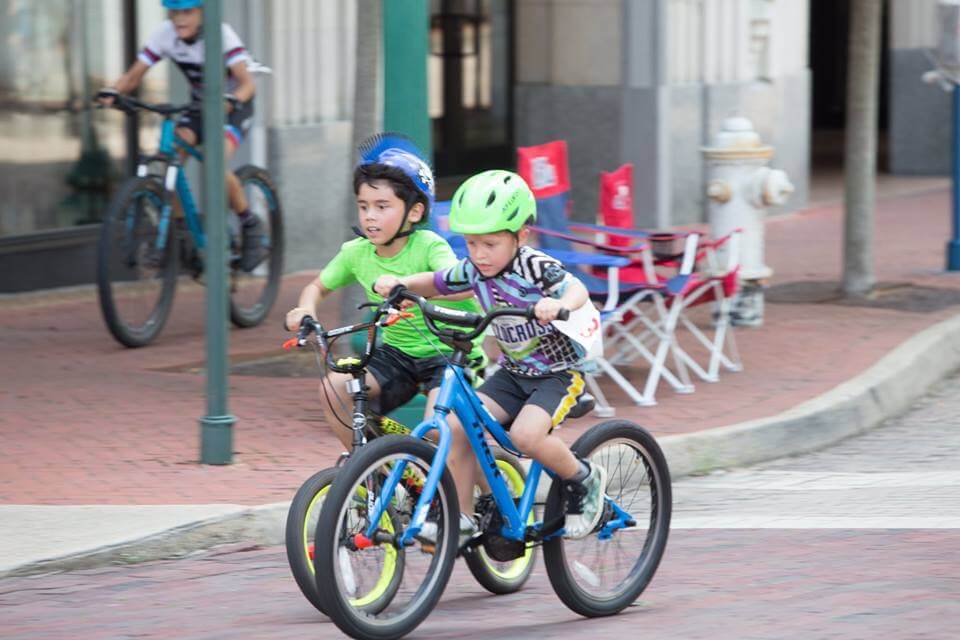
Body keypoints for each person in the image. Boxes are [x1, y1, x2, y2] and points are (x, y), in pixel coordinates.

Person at [374, 169, 608, 539]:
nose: (479, 255)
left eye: (490, 244)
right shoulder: (475, 270)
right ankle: (462, 518)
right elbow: (436, 283)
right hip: (513, 374)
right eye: (471, 244)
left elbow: (575, 288)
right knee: (456, 425)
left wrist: (557, 303)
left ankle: (584, 478)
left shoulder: (534, 265)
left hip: (557, 374)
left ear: (521, 236)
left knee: (526, 437)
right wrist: (402, 286)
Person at [285, 133, 487, 539]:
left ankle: (458, 501)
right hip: (395, 354)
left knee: (436, 428)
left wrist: (409, 284)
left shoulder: (429, 245)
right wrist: (305, 308)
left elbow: (461, 284)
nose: (370, 217)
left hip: (448, 353)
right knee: (336, 390)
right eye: (363, 207)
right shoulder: (355, 253)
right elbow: (318, 286)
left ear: (413, 212)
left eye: (382, 207)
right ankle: (373, 469)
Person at [97, 0, 264, 271]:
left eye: (187, 11)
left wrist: (231, 101)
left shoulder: (221, 34)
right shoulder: (164, 34)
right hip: (199, 106)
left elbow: (247, 84)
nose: (179, 19)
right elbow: (133, 76)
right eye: (174, 12)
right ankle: (182, 231)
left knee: (215, 162)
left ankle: (250, 224)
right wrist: (114, 91)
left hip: (234, 105)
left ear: (202, 12)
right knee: (170, 161)